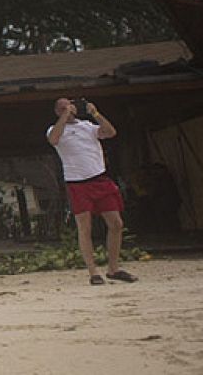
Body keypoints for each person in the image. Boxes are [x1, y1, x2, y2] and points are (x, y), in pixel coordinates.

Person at [47, 98, 137, 285]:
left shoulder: (87, 126)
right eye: (63, 107)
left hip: (99, 178)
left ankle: (114, 268)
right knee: (84, 227)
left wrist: (95, 113)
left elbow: (110, 132)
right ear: (58, 111)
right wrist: (64, 116)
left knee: (116, 223)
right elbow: (53, 139)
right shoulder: (55, 129)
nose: (69, 109)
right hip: (77, 183)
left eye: (70, 105)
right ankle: (93, 272)